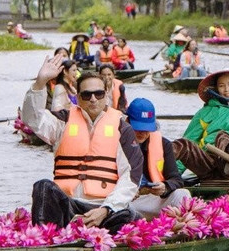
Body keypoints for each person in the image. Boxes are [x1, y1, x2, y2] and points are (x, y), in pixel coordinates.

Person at [22, 57, 143, 232]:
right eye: (87, 95)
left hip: (103, 208)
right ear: (78, 97)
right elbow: (32, 119)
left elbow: (131, 177)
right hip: (68, 206)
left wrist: (105, 209)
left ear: (107, 93)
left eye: (98, 94)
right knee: (43, 186)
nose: (93, 99)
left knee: (129, 218)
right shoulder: (62, 121)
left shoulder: (122, 128)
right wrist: (40, 82)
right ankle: (45, 241)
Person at [124, 98, 190, 217]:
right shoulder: (116, 143)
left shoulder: (164, 144)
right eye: (138, 128)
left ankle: (179, 228)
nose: (143, 133)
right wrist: (124, 193)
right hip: (125, 202)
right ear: (127, 121)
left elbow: (177, 180)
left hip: (152, 200)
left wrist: (165, 187)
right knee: (121, 208)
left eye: (147, 128)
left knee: (183, 194)